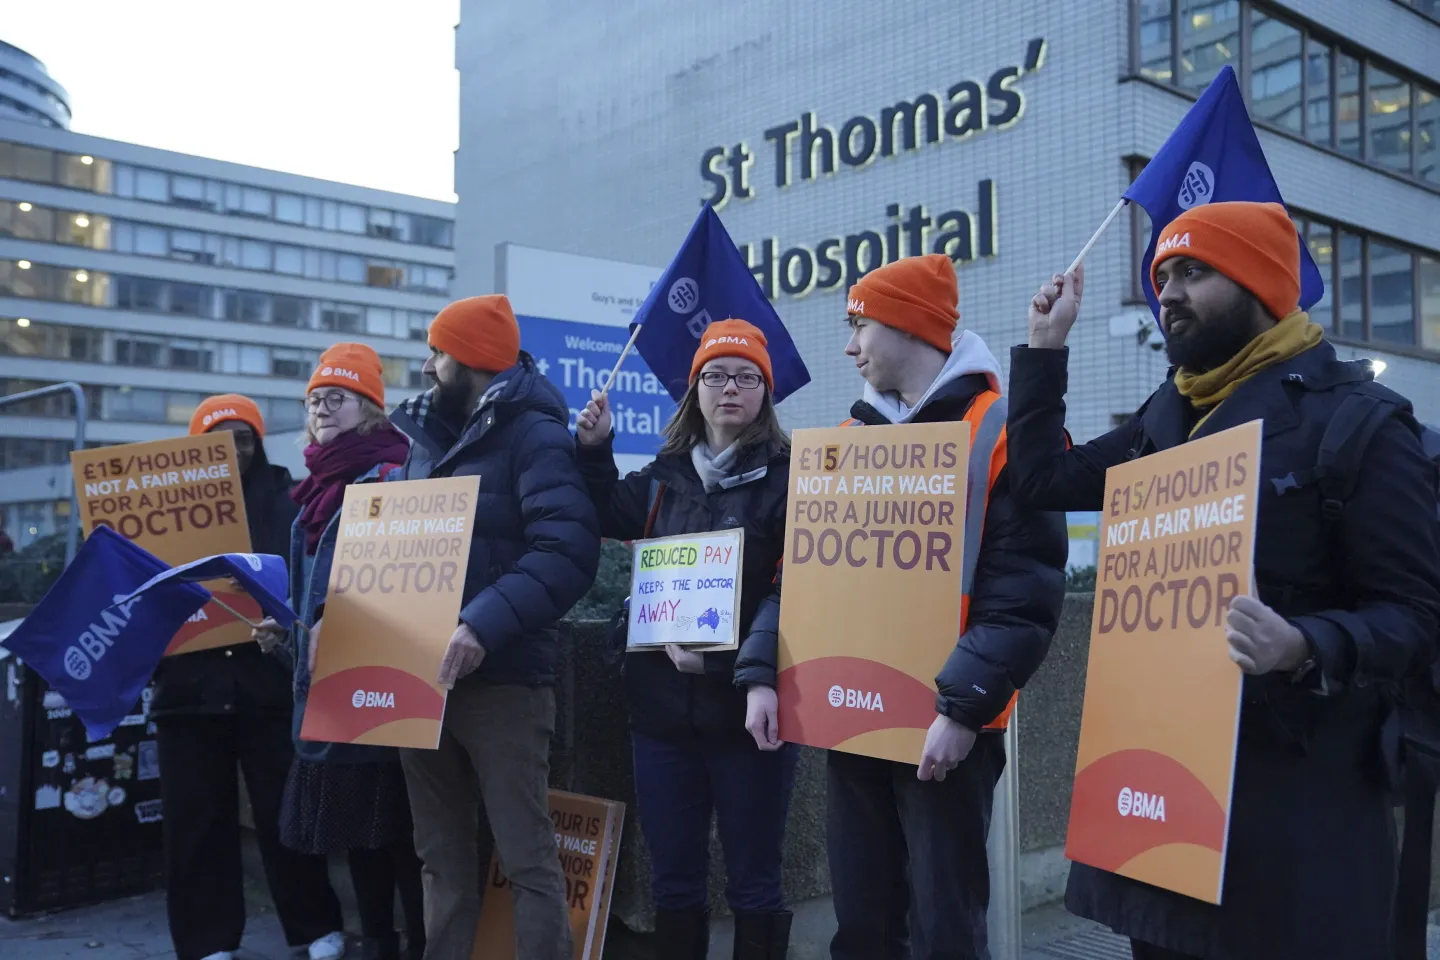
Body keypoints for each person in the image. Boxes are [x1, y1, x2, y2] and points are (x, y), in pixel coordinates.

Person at [1010, 200, 1440, 960]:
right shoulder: (1164, 418)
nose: (1167, 290)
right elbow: (1041, 479)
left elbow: (1412, 616)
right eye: (1162, 274)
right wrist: (1046, 348)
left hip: (1301, 813)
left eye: (1194, 271)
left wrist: (1304, 643)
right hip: (1170, 809)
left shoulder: (1362, 422)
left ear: (1260, 283)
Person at [736, 254, 1068, 960]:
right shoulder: (850, 438)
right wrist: (764, 672)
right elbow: (799, 573)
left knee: (945, 928)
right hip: (853, 718)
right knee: (862, 923)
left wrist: (960, 709)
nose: (849, 345)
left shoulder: (1000, 430)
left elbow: (1026, 592)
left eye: (860, 325)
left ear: (910, 327)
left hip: (946, 728)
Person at [383, 294, 600, 959]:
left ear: (469, 360)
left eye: (437, 351)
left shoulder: (535, 435)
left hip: (503, 681)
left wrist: (479, 625)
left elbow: (567, 552)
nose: (426, 366)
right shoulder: (424, 442)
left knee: (527, 859)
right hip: (421, 682)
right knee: (439, 860)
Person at [575, 320, 798, 960]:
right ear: (694, 388)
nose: (732, 388)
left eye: (748, 376)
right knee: (673, 881)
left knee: (754, 882)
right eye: (717, 375)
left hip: (750, 714)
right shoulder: (661, 478)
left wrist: (724, 660)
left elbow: (802, 596)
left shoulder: (793, 481)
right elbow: (597, 512)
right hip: (660, 715)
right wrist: (594, 449)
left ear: (766, 392)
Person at [155, 395, 346, 960]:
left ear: (257, 444)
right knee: (195, 825)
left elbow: (313, 580)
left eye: (242, 439)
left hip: (266, 685)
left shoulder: (290, 500)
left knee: (287, 815)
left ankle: (314, 928)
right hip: (187, 690)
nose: (232, 452)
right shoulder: (164, 507)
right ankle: (207, 941)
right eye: (217, 441)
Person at [254, 344, 426, 960]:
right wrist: (286, 637)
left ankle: (413, 945)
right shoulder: (315, 489)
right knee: (362, 836)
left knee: (399, 836)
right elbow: (314, 602)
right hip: (332, 687)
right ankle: (378, 943)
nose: (322, 409)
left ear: (371, 409)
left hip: (381, 683)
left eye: (338, 398)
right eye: (315, 400)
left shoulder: (391, 474)